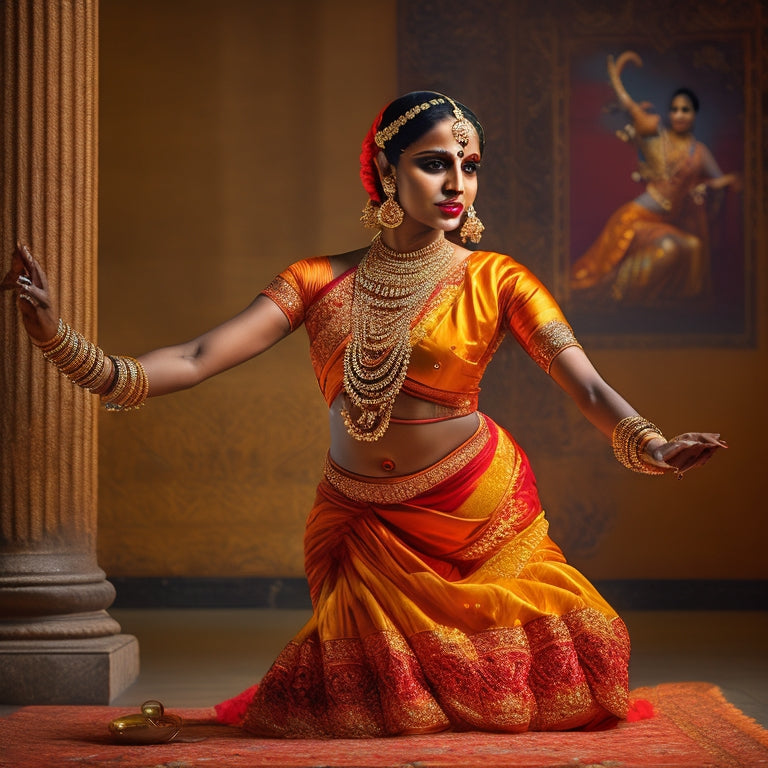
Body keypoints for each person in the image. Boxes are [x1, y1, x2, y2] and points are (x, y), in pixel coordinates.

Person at [2, 91, 726, 738]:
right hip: (359, 520)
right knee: (348, 705)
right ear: (385, 170)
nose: (456, 184)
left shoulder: (498, 279)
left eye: (469, 166)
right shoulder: (317, 280)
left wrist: (650, 444)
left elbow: (589, 388)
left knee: (580, 659)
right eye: (435, 163)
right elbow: (196, 356)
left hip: (474, 510)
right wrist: (65, 344)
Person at [570, 52, 741, 306]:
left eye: (686, 110)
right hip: (635, 218)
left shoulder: (700, 152)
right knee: (600, 272)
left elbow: (716, 181)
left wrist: (720, 183)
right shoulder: (659, 140)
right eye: (674, 110)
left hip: (667, 220)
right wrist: (619, 79)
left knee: (693, 247)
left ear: (694, 114)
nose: (679, 115)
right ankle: (614, 293)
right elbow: (634, 113)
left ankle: (680, 307)